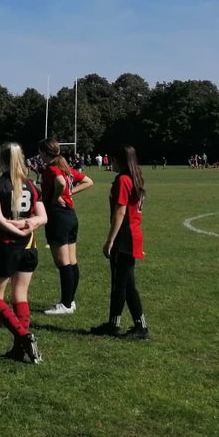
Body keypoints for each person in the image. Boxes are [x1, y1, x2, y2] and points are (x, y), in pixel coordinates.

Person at [0, 143, 48, 364]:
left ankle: (23, 336)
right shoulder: (31, 185)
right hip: (30, 247)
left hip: (7, 246)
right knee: (20, 296)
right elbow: (43, 218)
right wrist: (29, 226)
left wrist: (17, 229)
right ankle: (19, 350)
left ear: (1, 160)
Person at [90, 145, 149, 340]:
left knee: (119, 285)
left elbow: (120, 212)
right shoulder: (135, 178)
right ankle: (140, 326)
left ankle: (114, 325)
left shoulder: (123, 180)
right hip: (132, 234)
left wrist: (110, 240)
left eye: (113, 160)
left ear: (120, 161)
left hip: (125, 236)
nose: (111, 163)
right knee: (127, 284)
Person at [38, 138, 93, 315]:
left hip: (58, 216)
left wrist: (56, 197)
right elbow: (88, 181)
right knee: (71, 261)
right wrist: (69, 193)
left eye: (40, 153)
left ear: (46, 153)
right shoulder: (65, 167)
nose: (39, 156)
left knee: (63, 262)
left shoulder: (52, 169)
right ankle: (70, 301)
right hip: (70, 216)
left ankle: (66, 304)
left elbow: (61, 183)